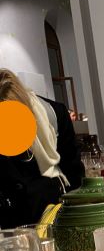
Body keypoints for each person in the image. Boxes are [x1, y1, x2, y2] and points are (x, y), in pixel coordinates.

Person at [0, 68, 84, 228]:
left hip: (53, 212)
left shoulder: (54, 114)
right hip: (11, 218)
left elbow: (73, 171)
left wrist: (77, 216)